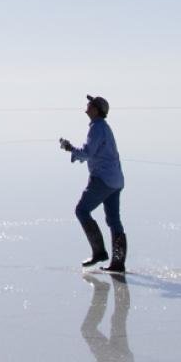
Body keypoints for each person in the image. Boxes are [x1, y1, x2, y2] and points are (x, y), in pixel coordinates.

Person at [58, 94, 126, 275]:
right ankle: (118, 262)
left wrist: (69, 148)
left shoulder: (96, 128)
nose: (87, 105)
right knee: (114, 220)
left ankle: (99, 252)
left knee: (81, 210)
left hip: (103, 179)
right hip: (116, 180)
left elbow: (87, 153)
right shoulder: (104, 127)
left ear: (96, 110)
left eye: (90, 103)